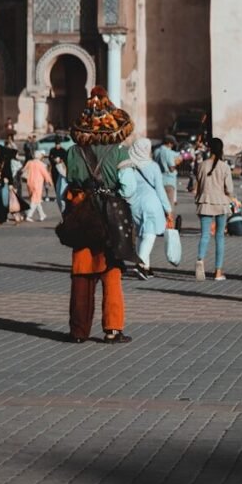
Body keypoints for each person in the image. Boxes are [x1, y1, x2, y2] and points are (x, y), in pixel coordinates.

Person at [64, 85, 135, 344]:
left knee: (82, 274)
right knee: (111, 272)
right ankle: (112, 329)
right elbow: (129, 187)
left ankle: (78, 331)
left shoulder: (73, 152)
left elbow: (68, 182)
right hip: (108, 218)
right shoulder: (119, 151)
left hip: (82, 215)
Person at [118, 137, 171, 279]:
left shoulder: (127, 165)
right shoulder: (153, 166)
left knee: (141, 233)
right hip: (151, 203)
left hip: (134, 204)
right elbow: (160, 189)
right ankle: (140, 265)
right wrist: (168, 209)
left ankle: (146, 268)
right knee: (150, 234)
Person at [191, 137, 238, 281]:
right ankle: (218, 272)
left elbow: (197, 185)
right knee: (220, 237)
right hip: (221, 204)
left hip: (205, 202)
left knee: (205, 235)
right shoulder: (224, 167)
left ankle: (200, 260)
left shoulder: (202, 165)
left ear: (209, 148)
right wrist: (232, 198)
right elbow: (229, 189)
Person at [22, 151, 53, 221]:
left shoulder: (29, 162)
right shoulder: (40, 164)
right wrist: (50, 181)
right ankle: (29, 215)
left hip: (29, 183)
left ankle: (42, 215)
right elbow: (45, 174)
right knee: (35, 200)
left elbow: (23, 170)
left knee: (37, 200)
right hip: (37, 184)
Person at [153, 136, 181, 207]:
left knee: (160, 205)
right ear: (169, 143)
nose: (172, 146)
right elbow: (171, 168)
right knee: (169, 206)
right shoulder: (168, 152)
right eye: (172, 144)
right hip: (169, 181)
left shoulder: (156, 151)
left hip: (159, 180)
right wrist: (177, 163)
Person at [49, 141, 69, 214]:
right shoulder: (52, 150)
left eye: (58, 144)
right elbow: (50, 158)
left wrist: (60, 162)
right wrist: (54, 161)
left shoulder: (63, 151)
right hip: (55, 169)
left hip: (60, 170)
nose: (57, 146)